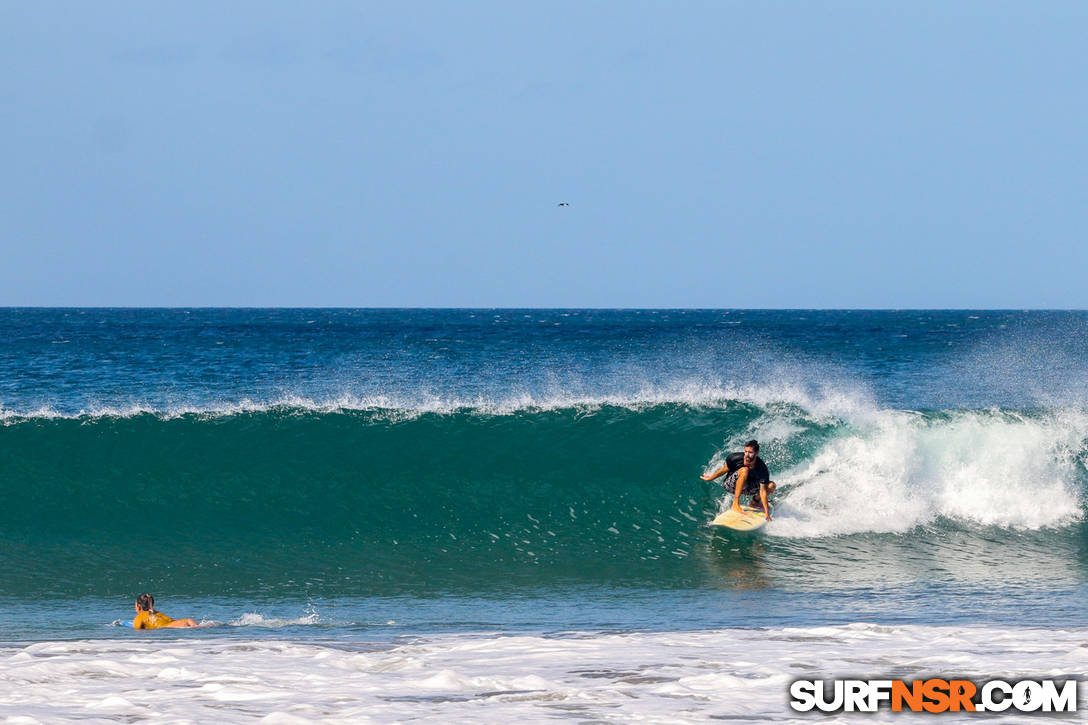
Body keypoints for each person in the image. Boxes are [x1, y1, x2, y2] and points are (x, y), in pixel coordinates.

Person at [701, 439, 776, 520]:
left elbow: (762, 491)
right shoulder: (735, 458)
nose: (747, 455)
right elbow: (722, 471)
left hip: (748, 488)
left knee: (771, 485)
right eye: (745, 451)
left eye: (750, 452)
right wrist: (710, 478)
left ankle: (755, 502)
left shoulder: (762, 468)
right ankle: (735, 504)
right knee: (745, 470)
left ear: (757, 453)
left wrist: (767, 513)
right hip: (731, 485)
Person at [132, 593, 199, 629]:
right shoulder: (156, 613)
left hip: (173, 627)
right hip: (187, 621)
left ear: (138, 606)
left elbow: (138, 630)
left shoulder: (139, 617)